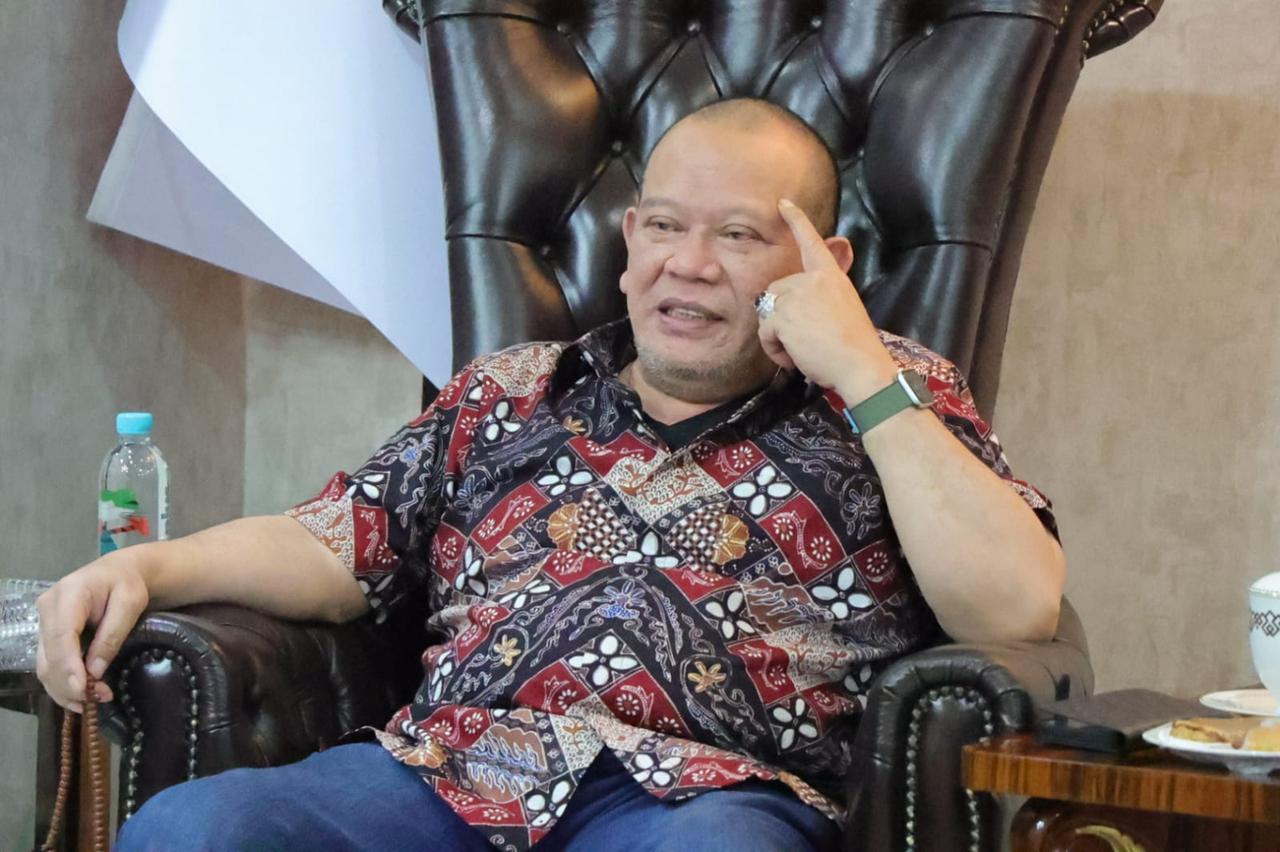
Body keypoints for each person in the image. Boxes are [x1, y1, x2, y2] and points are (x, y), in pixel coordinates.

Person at [37, 99, 1065, 851]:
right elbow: (334, 541)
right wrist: (146, 569)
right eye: (663, 224)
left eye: (740, 235)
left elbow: (1017, 607)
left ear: (824, 263)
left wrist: (862, 371)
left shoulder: (891, 396)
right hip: (450, 774)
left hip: (700, 802)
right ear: (628, 241)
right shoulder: (511, 391)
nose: (689, 262)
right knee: (197, 829)